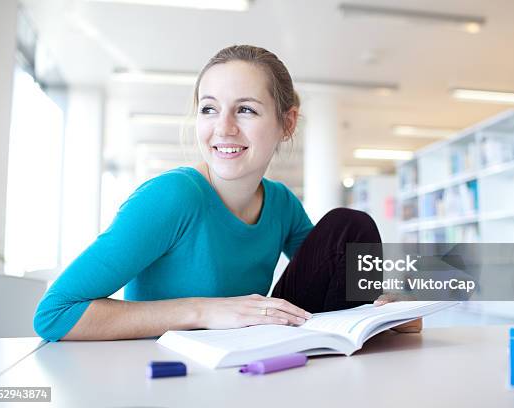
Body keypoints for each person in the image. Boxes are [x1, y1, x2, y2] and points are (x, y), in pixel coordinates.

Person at [33, 45, 421, 342]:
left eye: (246, 110)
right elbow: (54, 314)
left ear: (286, 123)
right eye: (209, 109)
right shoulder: (171, 197)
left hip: (250, 358)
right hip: (169, 369)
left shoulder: (282, 203)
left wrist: (387, 305)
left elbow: (333, 274)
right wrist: (203, 312)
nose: (224, 128)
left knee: (349, 227)